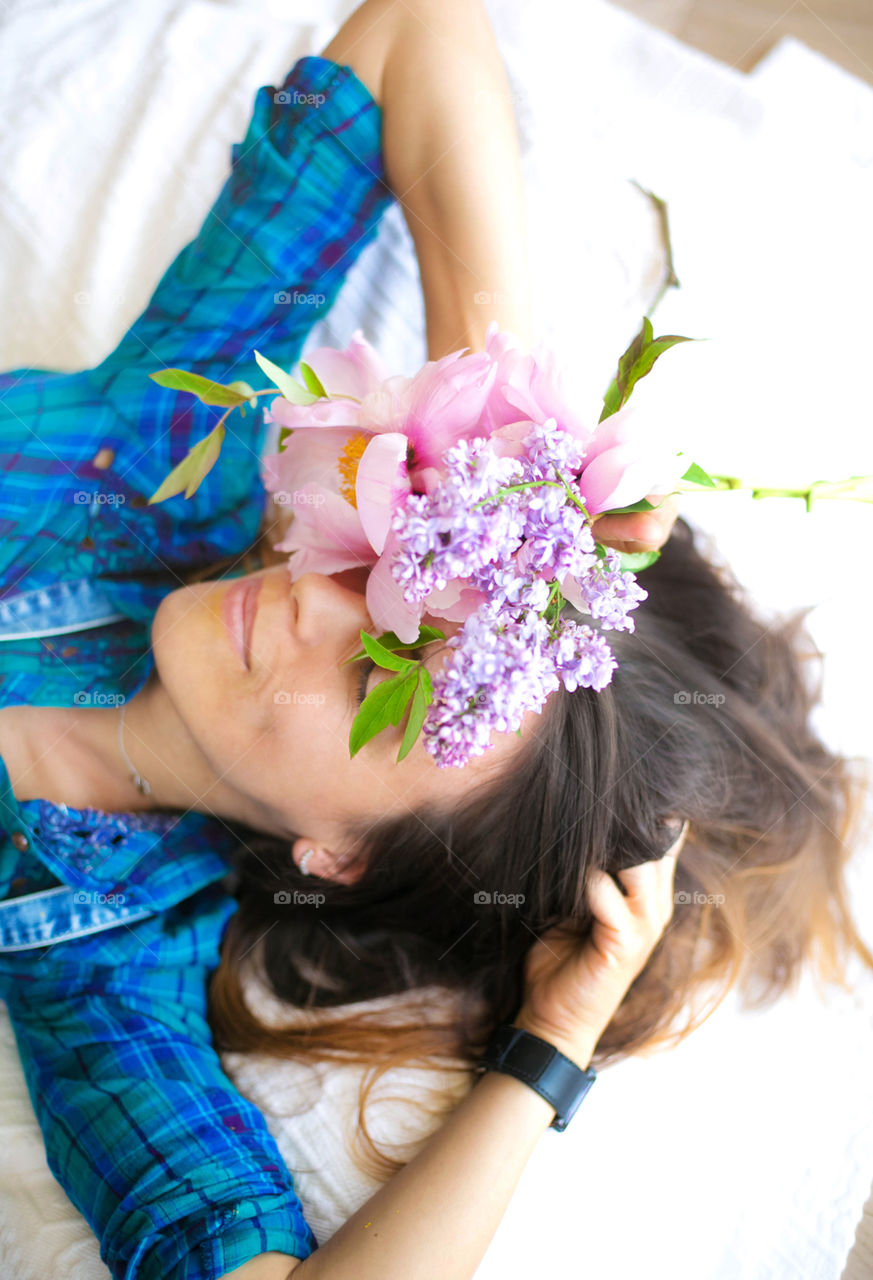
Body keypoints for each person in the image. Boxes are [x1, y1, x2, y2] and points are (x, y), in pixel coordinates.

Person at [0, 1, 868, 1277]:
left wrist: (549, 1050)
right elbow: (420, 32)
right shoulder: (166, 448)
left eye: (374, 680)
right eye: (395, 580)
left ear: (338, 857)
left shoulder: (97, 971)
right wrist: (500, 424)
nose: (313, 601)